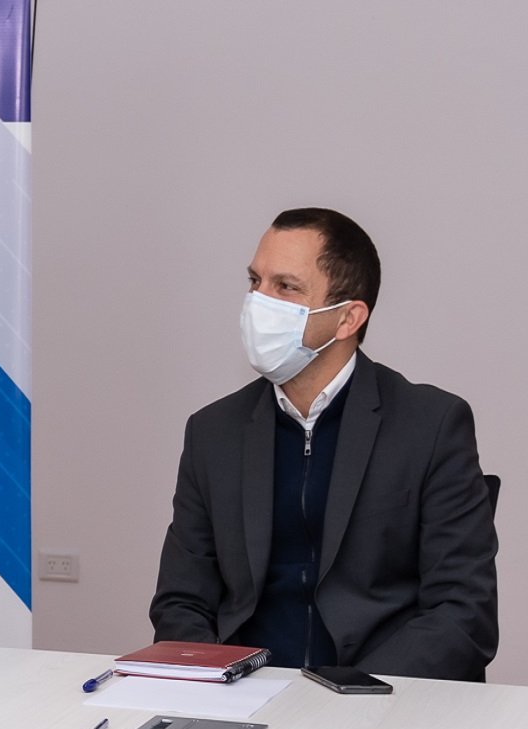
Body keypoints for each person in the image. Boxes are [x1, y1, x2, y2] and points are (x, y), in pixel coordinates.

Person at [150, 207, 498, 681]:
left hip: (381, 693)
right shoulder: (213, 432)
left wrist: (351, 695)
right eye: (255, 281)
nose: (259, 302)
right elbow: (181, 600)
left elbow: (462, 612)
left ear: (348, 317)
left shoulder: (431, 425)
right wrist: (217, 680)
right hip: (245, 692)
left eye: (286, 287)